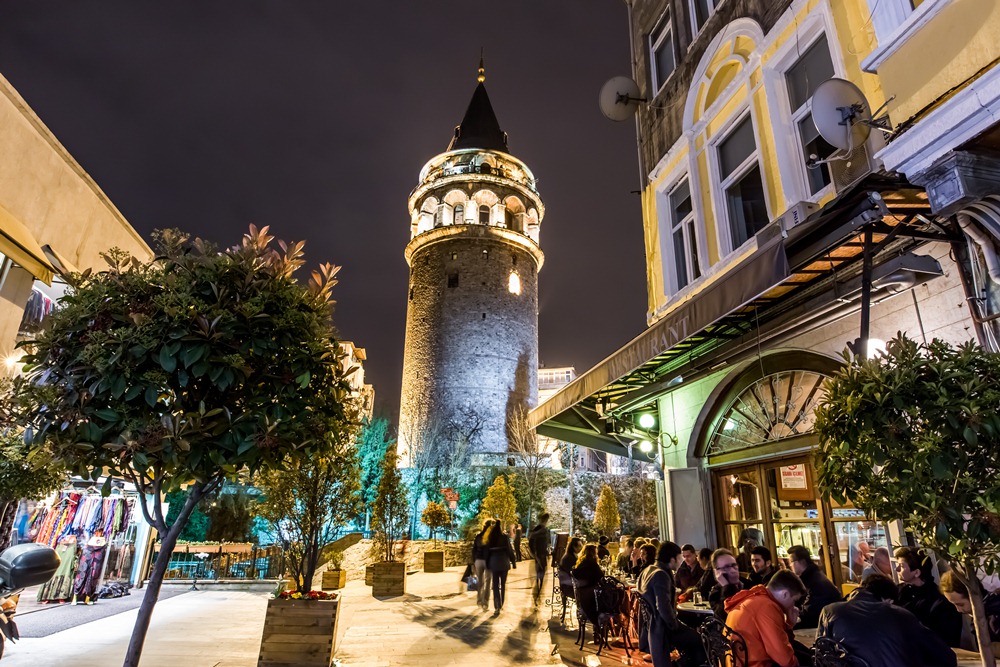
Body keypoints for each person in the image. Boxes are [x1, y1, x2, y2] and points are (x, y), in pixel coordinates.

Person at [818, 574, 957, 667]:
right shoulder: (900, 615)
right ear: (888, 600)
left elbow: (821, 653)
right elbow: (945, 656)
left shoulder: (830, 611)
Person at [637, 541, 706, 667]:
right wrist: (674, 625)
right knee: (699, 641)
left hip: (651, 628)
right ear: (672, 559)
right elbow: (663, 607)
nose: (682, 561)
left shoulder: (647, 571)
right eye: (680, 557)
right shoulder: (660, 575)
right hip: (662, 628)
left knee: (692, 638)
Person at [725, 569, 807, 667]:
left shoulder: (753, 598)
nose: (793, 606)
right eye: (794, 601)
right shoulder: (767, 606)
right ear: (785, 594)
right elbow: (784, 659)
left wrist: (789, 625)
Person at [894, 546, 963, 647]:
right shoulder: (897, 591)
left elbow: (946, 638)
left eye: (902, 566)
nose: (897, 569)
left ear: (917, 572)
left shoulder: (939, 600)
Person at [787, 545, 842, 628]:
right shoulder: (812, 574)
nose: (790, 565)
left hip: (825, 623)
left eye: (791, 561)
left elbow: (809, 613)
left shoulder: (812, 580)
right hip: (826, 620)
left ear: (801, 561)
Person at [940, 569, 1000, 644]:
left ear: (972, 596)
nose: (958, 610)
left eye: (961, 604)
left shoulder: (994, 616)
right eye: (954, 605)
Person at [708, 548, 750, 622]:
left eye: (734, 565)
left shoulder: (750, 585)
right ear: (717, 572)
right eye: (726, 567)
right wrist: (727, 587)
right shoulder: (715, 593)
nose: (733, 570)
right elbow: (725, 617)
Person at [486, 518, 516, 613]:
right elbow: (509, 549)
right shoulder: (504, 536)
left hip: (494, 563)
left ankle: (497, 606)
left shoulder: (491, 537)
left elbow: (487, 551)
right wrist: (513, 561)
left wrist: (487, 563)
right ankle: (501, 603)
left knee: (495, 585)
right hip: (504, 563)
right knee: (503, 584)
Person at [571, 544, 604, 627]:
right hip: (591, 601)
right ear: (594, 554)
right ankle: (605, 626)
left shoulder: (581, 563)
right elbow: (601, 577)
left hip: (582, 598)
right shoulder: (592, 564)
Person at [527, 513, 551, 606]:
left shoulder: (541, 529)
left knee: (540, 576)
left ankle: (537, 596)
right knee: (539, 576)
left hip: (541, 555)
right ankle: (537, 597)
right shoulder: (540, 529)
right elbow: (532, 541)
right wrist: (534, 554)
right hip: (540, 556)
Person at [473, 520, 494, 610]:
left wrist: (474, 561)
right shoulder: (491, 537)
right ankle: (485, 602)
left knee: (480, 582)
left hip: (478, 561)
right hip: (488, 561)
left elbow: (474, 549)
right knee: (488, 582)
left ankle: (479, 601)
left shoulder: (478, 536)